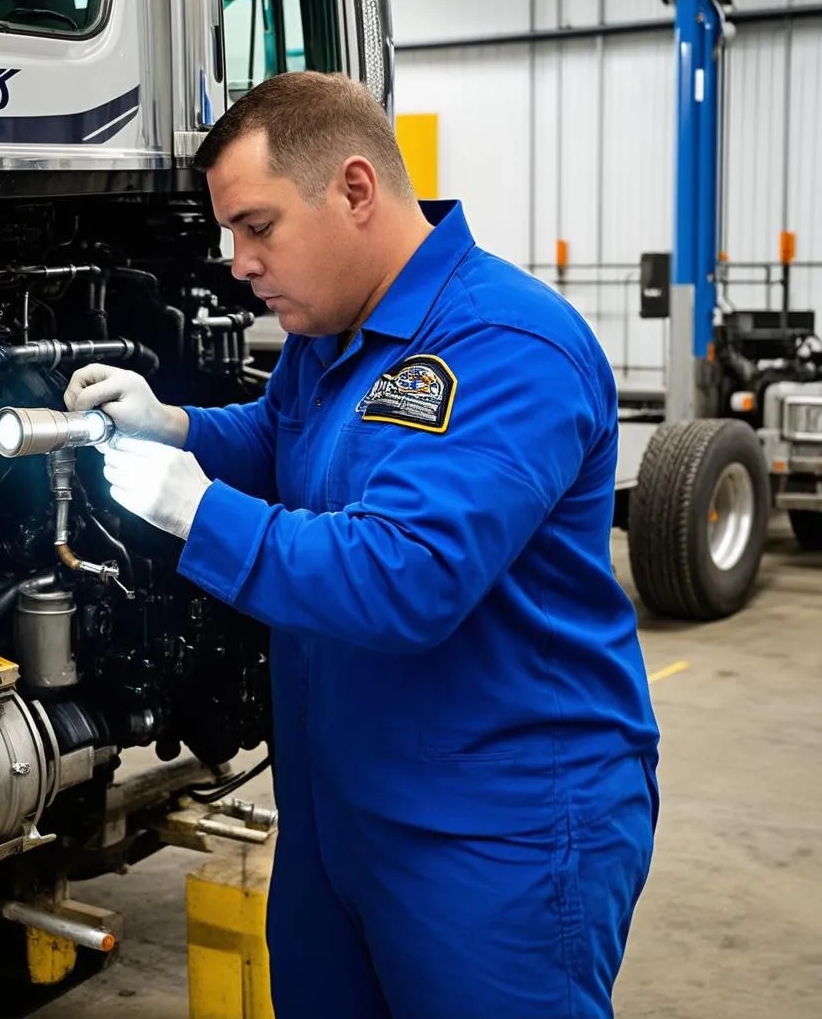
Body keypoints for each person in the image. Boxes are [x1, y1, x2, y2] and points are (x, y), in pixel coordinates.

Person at [65, 71, 660, 1019]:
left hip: (493, 826)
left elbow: (406, 578)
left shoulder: (508, 346)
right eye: (229, 235)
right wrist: (174, 425)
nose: (238, 264)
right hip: (339, 813)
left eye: (257, 227)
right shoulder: (331, 335)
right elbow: (281, 439)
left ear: (354, 189)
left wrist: (196, 512)